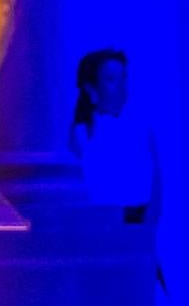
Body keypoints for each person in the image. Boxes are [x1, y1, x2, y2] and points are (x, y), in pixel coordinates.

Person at [69, 48, 161, 226]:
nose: (120, 86)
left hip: (138, 223)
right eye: (111, 79)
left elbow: (155, 185)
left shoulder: (141, 130)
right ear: (91, 87)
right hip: (99, 224)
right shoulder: (80, 134)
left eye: (123, 78)